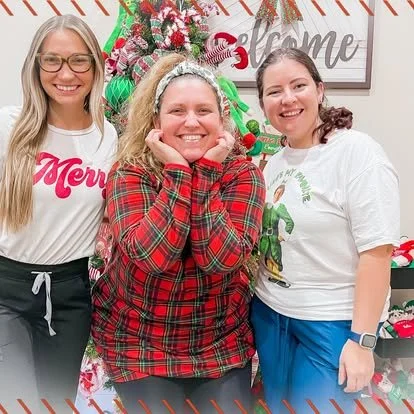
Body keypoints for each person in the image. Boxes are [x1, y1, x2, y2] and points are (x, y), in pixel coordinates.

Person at [91, 53, 265, 414]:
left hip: (219, 344)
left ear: (221, 119)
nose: (191, 121)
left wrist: (205, 175)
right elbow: (152, 256)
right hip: (139, 344)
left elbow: (221, 259)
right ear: (156, 121)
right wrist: (176, 170)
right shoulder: (131, 174)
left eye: (204, 110)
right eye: (177, 111)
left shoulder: (242, 175)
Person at [251, 47, 400, 413]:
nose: (287, 99)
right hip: (271, 315)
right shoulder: (274, 162)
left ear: (319, 90)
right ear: (263, 103)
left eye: (298, 85)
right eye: (274, 91)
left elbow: (377, 252)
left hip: (332, 322)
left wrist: (362, 341)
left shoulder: (357, 154)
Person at [0, 15, 117, 413]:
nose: (65, 73)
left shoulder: (109, 136)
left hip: (70, 295)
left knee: (55, 404)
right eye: (52, 61)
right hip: (7, 291)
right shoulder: (9, 126)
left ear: (95, 67)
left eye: (79, 61)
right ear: (36, 66)